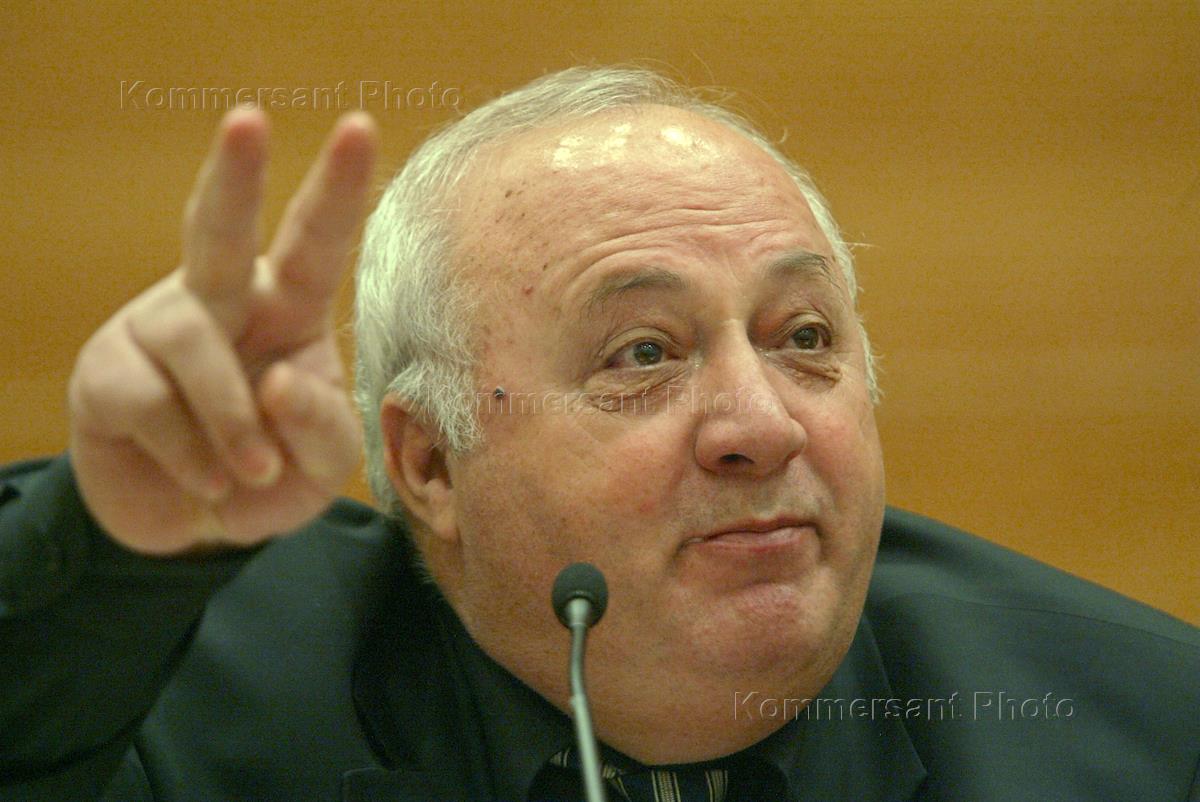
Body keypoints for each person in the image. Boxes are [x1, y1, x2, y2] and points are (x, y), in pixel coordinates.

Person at [1, 66, 1196, 802]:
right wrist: (99, 550)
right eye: (643, 354)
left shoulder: (1139, 732)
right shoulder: (168, 702)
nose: (762, 425)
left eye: (804, 336)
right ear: (429, 462)